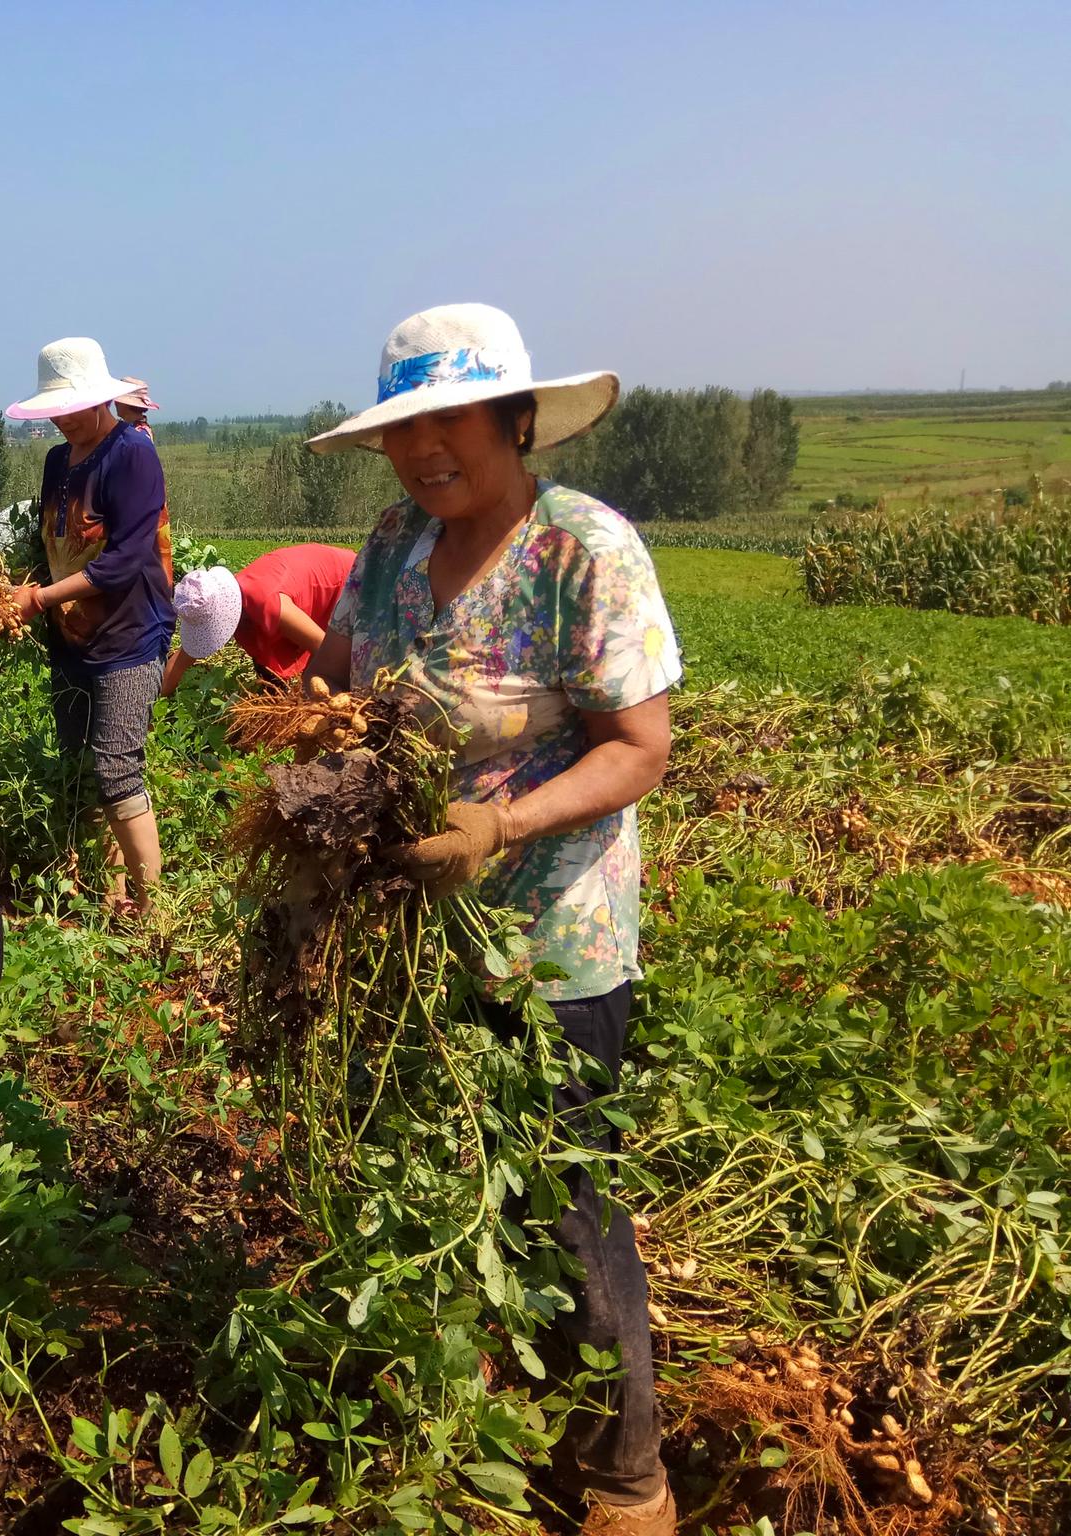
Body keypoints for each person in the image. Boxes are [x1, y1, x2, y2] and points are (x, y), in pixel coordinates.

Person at [303, 303, 682, 1535]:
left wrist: (499, 828)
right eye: (404, 427)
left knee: (565, 1197)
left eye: (449, 418)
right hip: (415, 940)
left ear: (515, 417)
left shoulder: (583, 550)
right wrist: (308, 736)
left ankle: (626, 1476)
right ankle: (468, 1399)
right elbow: (339, 678)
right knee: (436, 1176)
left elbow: (638, 749)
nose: (424, 449)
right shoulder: (390, 546)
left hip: (552, 945)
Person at [4, 338, 174, 916]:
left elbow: (124, 560)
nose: (65, 419)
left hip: (129, 635)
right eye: (57, 409)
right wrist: (15, 591)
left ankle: (155, 912)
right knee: (79, 760)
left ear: (101, 399)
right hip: (71, 636)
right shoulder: (57, 462)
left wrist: (43, 597)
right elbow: (53, 543)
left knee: (115, 763)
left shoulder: (133, 455)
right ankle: (111, 894)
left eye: (74, 406)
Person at [160, 543, 357, 697]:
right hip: (306, 586)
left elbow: (324, 649)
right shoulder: (224, 600)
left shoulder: (268, 603)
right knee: (274, 678)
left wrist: (308, 700)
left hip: (350, 584)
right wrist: (151, 707)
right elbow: (182, 659)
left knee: (329, 683)